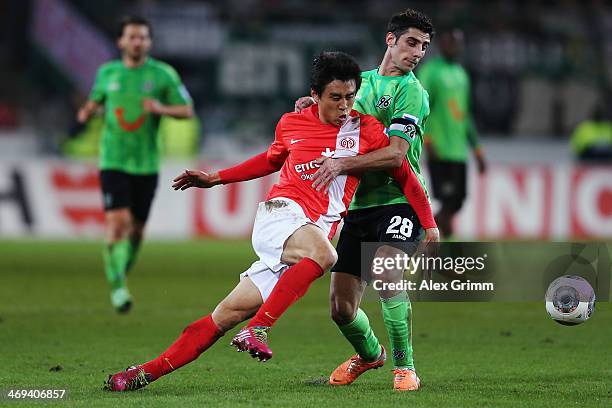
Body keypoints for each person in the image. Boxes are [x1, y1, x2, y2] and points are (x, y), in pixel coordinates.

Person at [103, 51, 437, 392]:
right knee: (326, 256)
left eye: (350, 97)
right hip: (281, 215)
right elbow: (269, 159)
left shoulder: (367, 131)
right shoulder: (292, 122)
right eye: (335, 98)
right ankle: (260, 328)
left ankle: (140, 374)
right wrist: (216, 177)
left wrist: (429, 224)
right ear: (316, 94)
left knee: (224, 316)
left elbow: (406, 174)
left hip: (303, 241)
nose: (343, 106)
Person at [294, 9, 435, 390]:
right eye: (411, 42)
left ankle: (405, 368)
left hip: (398, 200)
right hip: (357, 206)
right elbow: (337, 122)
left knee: (388, 272)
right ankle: (371, 355)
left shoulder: (411, 91)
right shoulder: (360, 84)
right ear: (390, 40)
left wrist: (341, 164)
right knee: (341, 309)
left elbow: (395, 155)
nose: (417, 52)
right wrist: (314, 108)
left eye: (423, 46)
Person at [77, 16, 193, 313]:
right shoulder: (107, 72)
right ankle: (118, 286)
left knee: (137, 232)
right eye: (132, 37)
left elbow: (186, 110)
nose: (137, 42)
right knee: (117, 226)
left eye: (142, 37)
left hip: (146, 164)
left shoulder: (163, 74)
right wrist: (87, 111)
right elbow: (95, 100)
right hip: (113, 160)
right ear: (121, 42)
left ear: (149, 43)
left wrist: (160, 108)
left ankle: (119, 271)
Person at [418, 27, 486, 237]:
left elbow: (464, 115)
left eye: (458, 42)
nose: (455, 46)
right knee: (449, 203)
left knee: (457, 202)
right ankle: (439, 248)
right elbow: (420, 107)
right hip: (440, 148)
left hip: (458, 152)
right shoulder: (431, 71)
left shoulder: (462, 75)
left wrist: (477, 150)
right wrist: (427, 140)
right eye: (450, 41)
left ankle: (428, 239)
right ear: (441, 44)